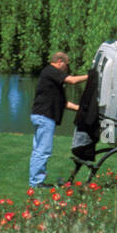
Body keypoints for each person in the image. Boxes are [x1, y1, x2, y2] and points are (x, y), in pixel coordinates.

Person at [28, 51, 87, 188]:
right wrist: (92, 76)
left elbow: (63, 103)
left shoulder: (51, 77)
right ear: (60, 61)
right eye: (66, 65)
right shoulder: (51, 70)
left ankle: (36, 181)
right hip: (45, 117)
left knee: (39, 150)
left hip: (41, 116)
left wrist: (81, 109)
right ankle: (36, 183)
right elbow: (72, 80)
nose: (67, 68)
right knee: (43, 150)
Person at [63, 66, 101, 183]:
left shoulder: (92, 88)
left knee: (79, 150)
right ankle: (75, 175)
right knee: (81, 150)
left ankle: (73, 177)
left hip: (86, 122)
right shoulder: (96, 90)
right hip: (89, 121)